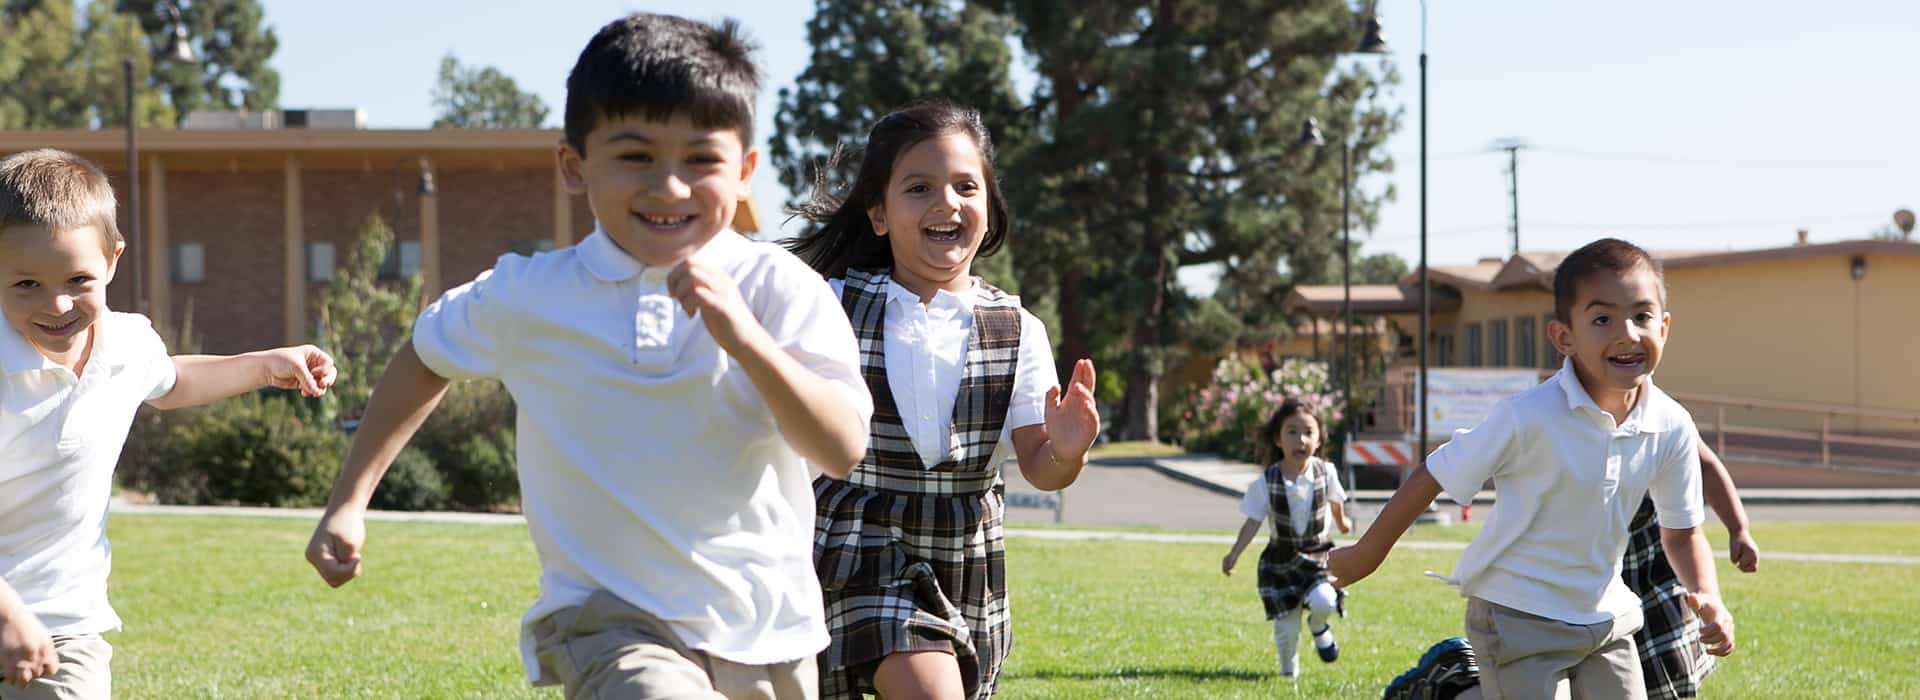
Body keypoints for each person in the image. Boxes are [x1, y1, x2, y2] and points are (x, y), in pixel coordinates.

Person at [303, 13, 873, 700]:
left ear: (746, 171)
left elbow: (841, 448)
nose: (670, 187)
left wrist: (746, 339)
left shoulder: (782, 289)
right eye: (636, 157)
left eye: (701, 160)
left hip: (767, 630)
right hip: (607, 621)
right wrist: (348, 503)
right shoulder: (531, 293)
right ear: (574, 166)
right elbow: (424, 357)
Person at [787, 100, 1101, 699]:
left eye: (965, 186)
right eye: (919, 188)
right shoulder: (831, 303)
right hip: (855, 544)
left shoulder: (1018, 329)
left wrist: (1067, 449)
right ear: (878, 214)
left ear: (990, 207)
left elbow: (1042, 469)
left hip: (963, 556)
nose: (946, 202)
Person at [1331, 238, 1736, 699]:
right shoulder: (1527, 416)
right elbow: (1434, 473)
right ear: (1564, 338)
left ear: (1664, 326)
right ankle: (1445, 687)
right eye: (1602, 319)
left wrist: (1711, 598)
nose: (1627, 333)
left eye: (1642, 316)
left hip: (1606, 617)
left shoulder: (1671, 424)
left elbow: (1682, 535)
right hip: (1516, 613)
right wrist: (1366, 554)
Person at [0, 148, 336, 699]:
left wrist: (264, 365)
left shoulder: (125, 344)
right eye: (26, 285)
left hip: (64, 625)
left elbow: (172, 381)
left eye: (78, 279)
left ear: (112, 260)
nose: (57, 304)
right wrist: (7, 613)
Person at [1220, 398, 1352, 678]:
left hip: (1318, 556)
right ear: (1278, 439)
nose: (1300, 439)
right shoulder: (1266, 482)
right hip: (1281, 561)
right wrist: (1234, 554)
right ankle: (1287, 676)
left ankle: (1318, 626)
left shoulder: (1326, 472)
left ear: (1318, 439)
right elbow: (1252, 522)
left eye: (1308, 432)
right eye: (1292, 432)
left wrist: (1343, 524)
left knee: (1325, 601)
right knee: (1287, 626)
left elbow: (1336, 502)